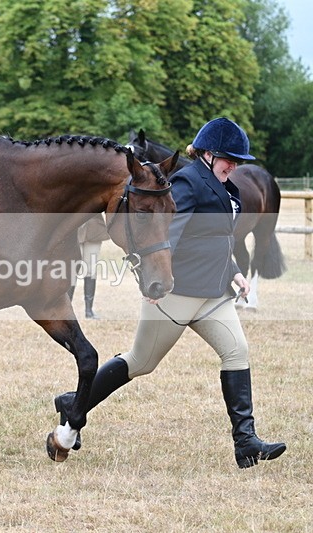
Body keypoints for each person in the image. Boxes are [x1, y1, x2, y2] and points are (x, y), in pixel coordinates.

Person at [54, 118, 286, 468]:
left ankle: (246, 442)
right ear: (208, 155)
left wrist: (235, 272)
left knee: (237, 351)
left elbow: (219, 237)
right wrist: (155, 281)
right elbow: (166, 234)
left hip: (213, 293)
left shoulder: (223, 185)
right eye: (229, 159)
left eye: (238, 161)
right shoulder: (188, 182)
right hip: (177, 293)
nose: (234, 167)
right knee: (140, 362)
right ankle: (73, 403)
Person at [68, 214, 110, 319]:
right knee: (73, 270)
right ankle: (67, 309)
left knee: (91, 270)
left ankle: (89, 310)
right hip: (74, 229)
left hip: (93, 230)